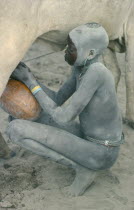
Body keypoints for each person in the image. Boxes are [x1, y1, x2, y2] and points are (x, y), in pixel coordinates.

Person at [7, 23, 124, 196]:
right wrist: (28, 77)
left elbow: (63, 117)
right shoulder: (81, 67)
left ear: (90, 53)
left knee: (14, 129)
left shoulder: (97, 73)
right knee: (17, 118)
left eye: (71, 48)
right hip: (87, 138)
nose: (66, 51)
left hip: (101, 152)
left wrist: (31, 82)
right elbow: (57, 99)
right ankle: (83, 164)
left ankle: (82, 168)